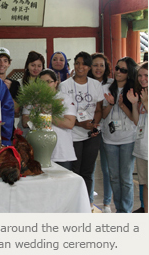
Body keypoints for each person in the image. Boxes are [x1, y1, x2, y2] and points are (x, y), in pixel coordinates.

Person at [59, 51, 104, 211]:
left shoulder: (95, 85)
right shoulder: (64, 85)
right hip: (73, 135)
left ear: (89, 67)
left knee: (88, 171)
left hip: (91, 135)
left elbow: (98, 109)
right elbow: (63, 113)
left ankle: (87, 204)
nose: (80, 67)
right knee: (75, 172)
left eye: (84, 64)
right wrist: (80, 124)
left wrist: (94, 125)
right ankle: (73, 206)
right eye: (77, 63)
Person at [102, 56, 138, 213]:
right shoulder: (108, 87)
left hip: (128, 138)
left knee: (126, 178)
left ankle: (126, 211)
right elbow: (103, 115)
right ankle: (119, 209)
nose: (118, 72)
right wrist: (111, 104)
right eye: (117, 68)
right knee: (114, 178)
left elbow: (134, 118)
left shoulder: (133, 89)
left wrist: (122, 104)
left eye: (123, 70)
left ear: (129, 73)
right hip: (109, 139)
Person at [22, 69, 77, 170]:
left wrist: (47, 113)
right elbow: (25, 122)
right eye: (41, 82)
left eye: (49, 82)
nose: (45, 85)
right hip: (38, 151)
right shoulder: (32, 99)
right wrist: (40, 112)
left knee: (63, 184)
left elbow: (69, 123)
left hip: (61, 152)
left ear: (56, 83)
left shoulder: (65, 99)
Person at [87, 53, 113, 213]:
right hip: (90, 129)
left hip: (109, 131)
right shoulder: (85, 83)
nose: (98, 68)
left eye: (101, 65)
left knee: (107, 168)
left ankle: (107, 203)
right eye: (95, 65)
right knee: (90, 167)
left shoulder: (111, 84)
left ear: (106, 67)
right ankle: (89, 201)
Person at [127, 61, 148, 213]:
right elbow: (136, 121)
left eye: (146, 75)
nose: (142, 78)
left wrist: (146, 103)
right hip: (142, 147)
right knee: (145, 184)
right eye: (140, 75)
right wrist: (135, 104)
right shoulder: (142, 95)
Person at [18, 51, 45, 136]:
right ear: (27, 66)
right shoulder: (19, 83)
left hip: (42, 125)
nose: (36, 68)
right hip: (24, 125)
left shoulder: (46, 84)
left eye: (39, 66)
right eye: (33, 65)